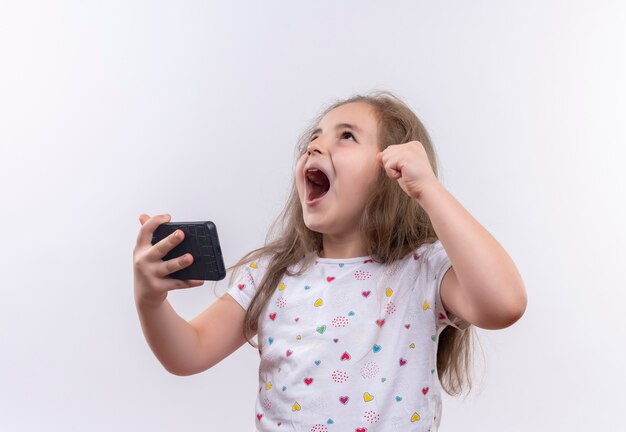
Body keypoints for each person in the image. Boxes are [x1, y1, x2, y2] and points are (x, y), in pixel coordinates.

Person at [133, 90, 527, 431]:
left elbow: (504, 304)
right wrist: (150, 301)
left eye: (347, 136)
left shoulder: (422, 271)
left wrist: (428, 190)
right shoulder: (271, 276)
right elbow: (189, 352)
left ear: (394, 171)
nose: (315, 146)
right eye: (314, 137)